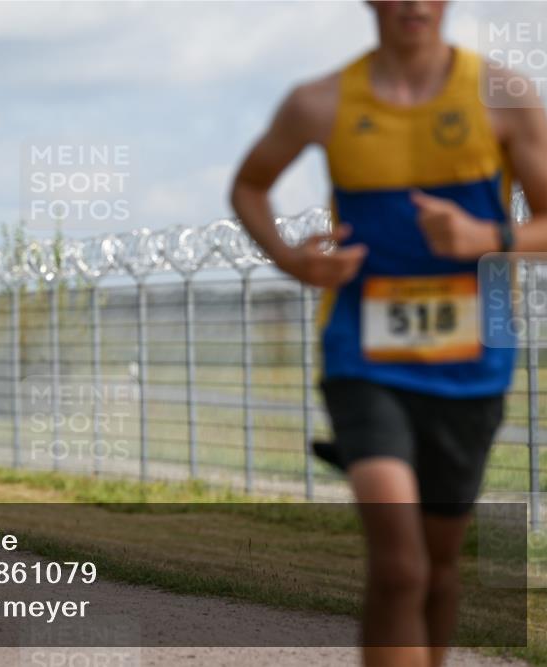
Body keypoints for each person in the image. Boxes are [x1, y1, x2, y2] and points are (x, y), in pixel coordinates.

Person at [230, 2, 546, 665]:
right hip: (363, 357)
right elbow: (250, 187)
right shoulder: (319, 101)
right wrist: (295, 261)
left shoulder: (504, 95)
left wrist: (489, 237)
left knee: (440, 563)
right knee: (400, 564)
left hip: (473, 361)